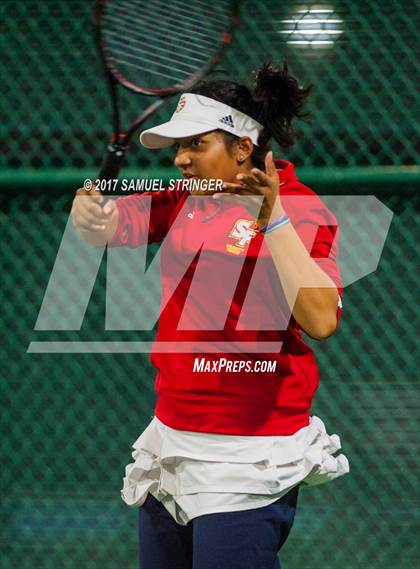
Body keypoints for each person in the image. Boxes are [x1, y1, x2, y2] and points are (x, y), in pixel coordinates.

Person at [71, 63, 349, 569]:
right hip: (172, 440)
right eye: (179, 148)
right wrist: (86, 211)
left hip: (248, 455)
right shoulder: (186, 200)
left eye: (195, 145)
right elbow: (104, 228)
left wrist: (273, 218)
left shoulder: (304, 210)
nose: (180, 160)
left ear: (243, 148)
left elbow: (321, 318)